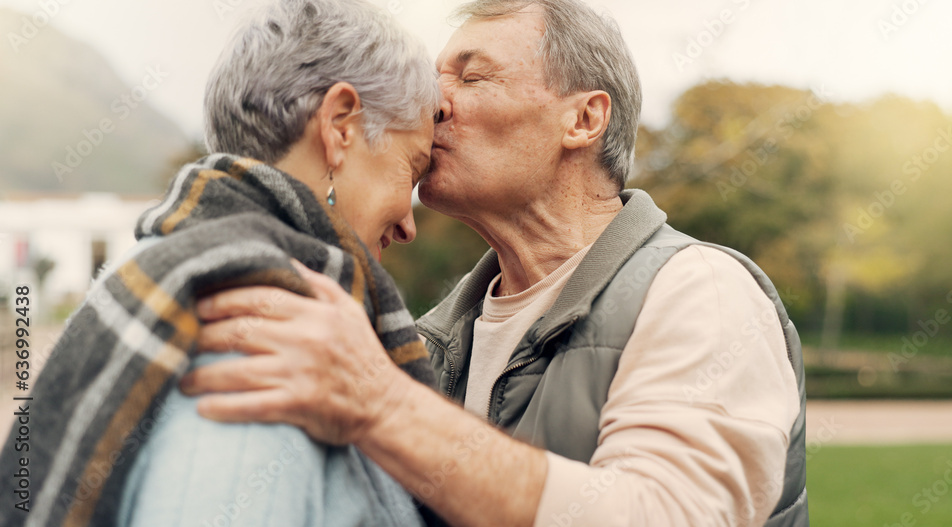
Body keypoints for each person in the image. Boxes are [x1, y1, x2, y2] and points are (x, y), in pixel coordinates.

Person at [183, 0, 809, 526]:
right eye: (435, 80)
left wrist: (384, 405)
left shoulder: (699, 289)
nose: (433, 104)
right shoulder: (424, 339)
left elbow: (667, 513)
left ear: (584, 119)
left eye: (471, 76)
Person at [0, 1, 442, 526]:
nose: (409, 225)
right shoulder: (269, 329)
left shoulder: (159, 271)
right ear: (341, 126)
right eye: (410, 169)